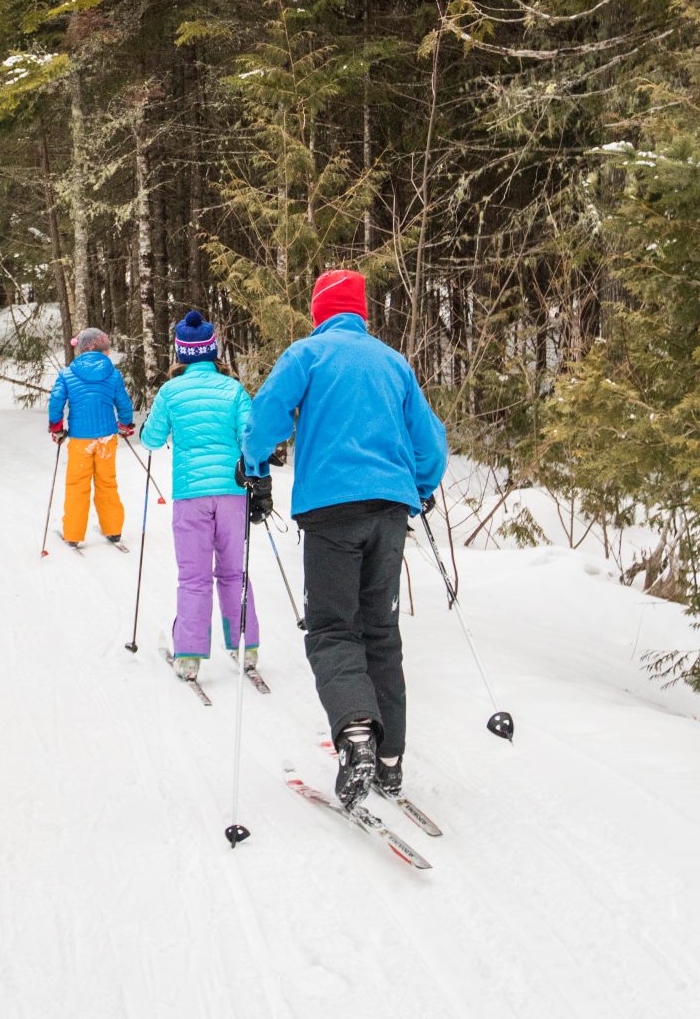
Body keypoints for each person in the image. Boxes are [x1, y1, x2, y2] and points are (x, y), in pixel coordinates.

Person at [242, 269, 447, 808]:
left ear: (319, 310)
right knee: (380, 629)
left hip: (331, 510)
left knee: (333, 628)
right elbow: (431, 440)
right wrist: (420, 487)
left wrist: (253, 463)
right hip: (388, 511)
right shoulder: (393, 362)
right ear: (361, 311)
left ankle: (356, 733)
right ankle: (389, 761)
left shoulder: (307, 355)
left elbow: (265, 416)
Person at [138, 310, 259, 683]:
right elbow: (251, 438)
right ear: (212, 350)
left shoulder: (171, 392)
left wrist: (149, 428)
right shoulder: (233, 389)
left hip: (191, 494)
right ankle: (246, 647)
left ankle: (189, 657)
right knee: (233, 571)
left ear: (181, 353)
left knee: (193, 576)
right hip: (232, 493)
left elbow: (152, 440)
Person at [47, 327, 134, 548]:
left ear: (82, 349)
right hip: (107, 438)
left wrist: (56, 427)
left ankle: (73, 534)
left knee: (77, 484)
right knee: (107, 482)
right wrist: (125, 424)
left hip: (80, 439)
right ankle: (113, 530)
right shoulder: (113, 375)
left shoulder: (67, 374)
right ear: (104, 351)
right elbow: (123, 403)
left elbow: (56, 401)